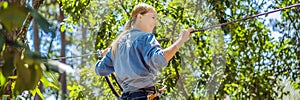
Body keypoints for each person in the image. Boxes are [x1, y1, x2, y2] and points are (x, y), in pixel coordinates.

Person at [95, 3, 193, 100]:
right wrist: (181, 40)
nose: (155, 23)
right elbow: (159, 59)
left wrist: (106, 55)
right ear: (140, 17)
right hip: (143, 95)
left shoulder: (117, 44)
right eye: (153, 17)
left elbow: (100, 69)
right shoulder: (146, 37)